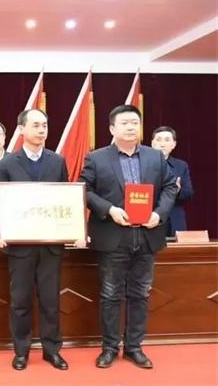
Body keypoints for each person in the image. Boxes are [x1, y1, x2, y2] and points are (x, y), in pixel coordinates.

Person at [80, 105, 178, 369]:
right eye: (125, 123)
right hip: (113, 236)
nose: (131, 127)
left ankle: (134, 347)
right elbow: (84, 190)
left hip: (146, 235)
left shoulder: (155, 157)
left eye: (135, 122)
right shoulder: (97, 158)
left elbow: (170, 186)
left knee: (140, 294)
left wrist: (159, 213)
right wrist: (109, 210)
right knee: (110, 294)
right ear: (112, 128)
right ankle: (110, 348)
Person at [0, 109, 70, 371]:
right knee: (21, 301)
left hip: (50, 244)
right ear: (21, 129)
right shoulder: (8, 164)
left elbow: (65, 200)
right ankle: (21, 351)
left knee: (51, 301)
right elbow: (1, 202)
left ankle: (52, 350)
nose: (41, 130)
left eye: (45, 125)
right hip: (20, 245)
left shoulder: (57, 161)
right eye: (36, 125)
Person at [150, 126, 194, 236]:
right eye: (158, 140)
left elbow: (189, 194)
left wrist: (178, 191)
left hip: (174, 219)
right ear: (152, 143)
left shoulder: (181, 166)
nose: (162, 144)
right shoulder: (142, 164)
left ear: (173, 145)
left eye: (167, 140)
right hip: (150, 218)